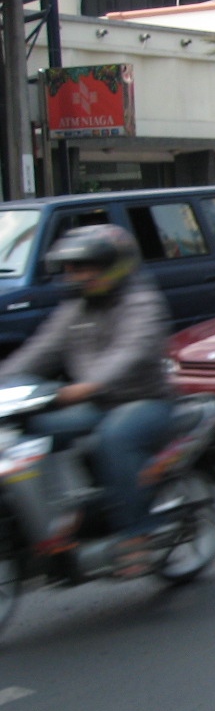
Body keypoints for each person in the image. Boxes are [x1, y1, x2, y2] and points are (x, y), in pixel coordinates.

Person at [0, 224, 174, 572]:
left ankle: (136, 533)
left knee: (115, 438)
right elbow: (38, 351)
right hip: (95, 404)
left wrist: (90, 384)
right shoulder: (75, 308)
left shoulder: (141, 302)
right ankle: (56, 517)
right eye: (70, 268)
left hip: (144, 400)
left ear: (114, 266)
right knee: (29, 429)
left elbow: (132, 351)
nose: (74, 276)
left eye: (83, 267)